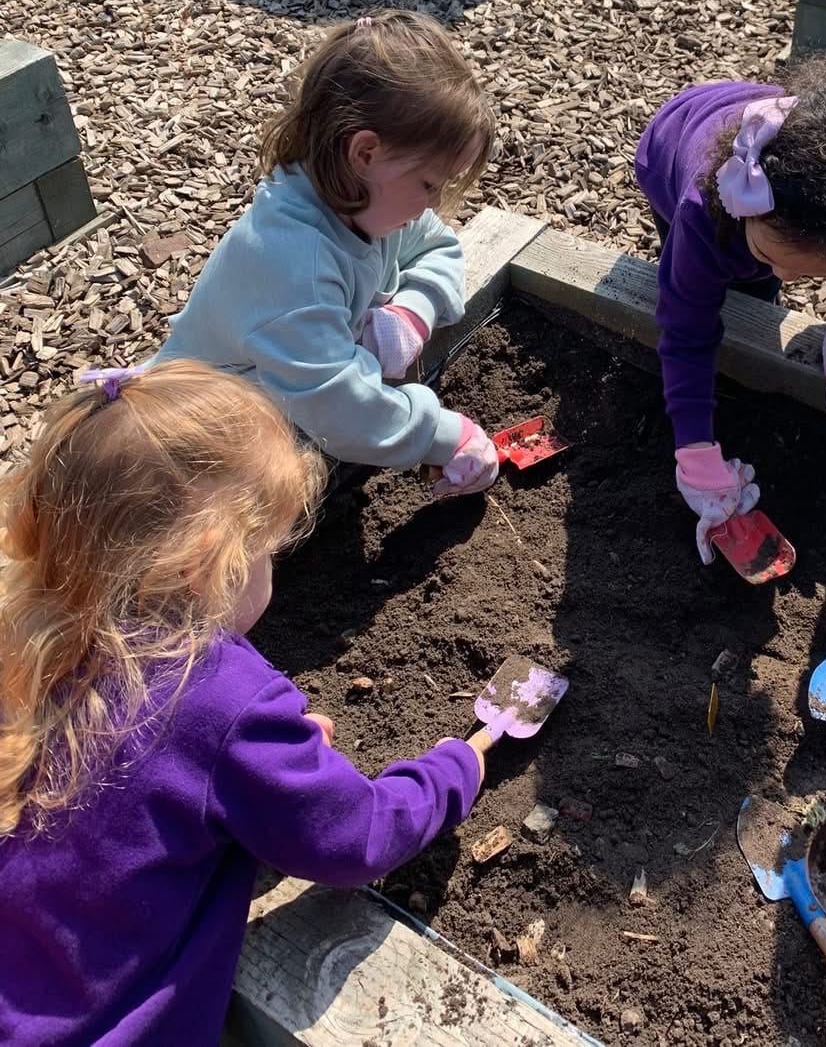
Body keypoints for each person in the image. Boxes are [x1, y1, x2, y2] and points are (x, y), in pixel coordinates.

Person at [0, 362, 490, 1047]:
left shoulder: (29, 635)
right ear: (206, 567)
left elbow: (147, 792)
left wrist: (249, 775)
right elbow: (357, 838)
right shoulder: (217, 695)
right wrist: (454, 769)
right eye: (267, 555)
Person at [155, 10, 499, 500]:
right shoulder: (293, 265)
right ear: (365, 154)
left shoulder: (366, 203)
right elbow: (341, 412)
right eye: (429, 184)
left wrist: (411, 315)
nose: (434, 203)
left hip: (278, 403)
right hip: (194, 448)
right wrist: (443, 436)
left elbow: (439, 246)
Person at [635, 53, 826, 558]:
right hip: (671, 142)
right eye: (771, 256)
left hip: (779, 178)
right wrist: (693, 450)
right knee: (694, 278)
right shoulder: (701, 211)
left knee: (756, 285)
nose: (786, 277)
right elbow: (685, 329)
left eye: (806, 273)